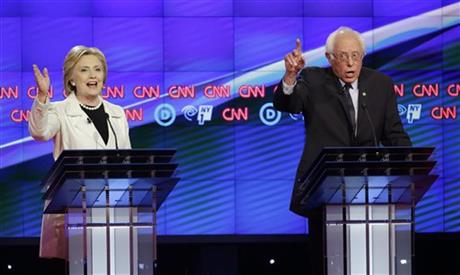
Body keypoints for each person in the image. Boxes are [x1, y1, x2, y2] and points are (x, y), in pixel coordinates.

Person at [273, 26, 411, 274]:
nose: (350, 63)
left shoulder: (381, 84)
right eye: (343, 56)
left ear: (363, 56)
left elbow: (393, 134)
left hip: (371, 192)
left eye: (356, 56)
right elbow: (288, 104)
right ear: (329, 57)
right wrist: (290, 78)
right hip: (324, 191)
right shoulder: (313, 80)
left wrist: (411, 164)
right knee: (327, 264)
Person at [29, 45, 131, 259]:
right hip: (74, 208)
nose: (93, 75)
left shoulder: (118, 113)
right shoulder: (59, 110)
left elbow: (127, 161)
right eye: (84, 70)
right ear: (72, 79)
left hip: (112, 210)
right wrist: (42, 95)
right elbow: (39, 133)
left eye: (98, 69)